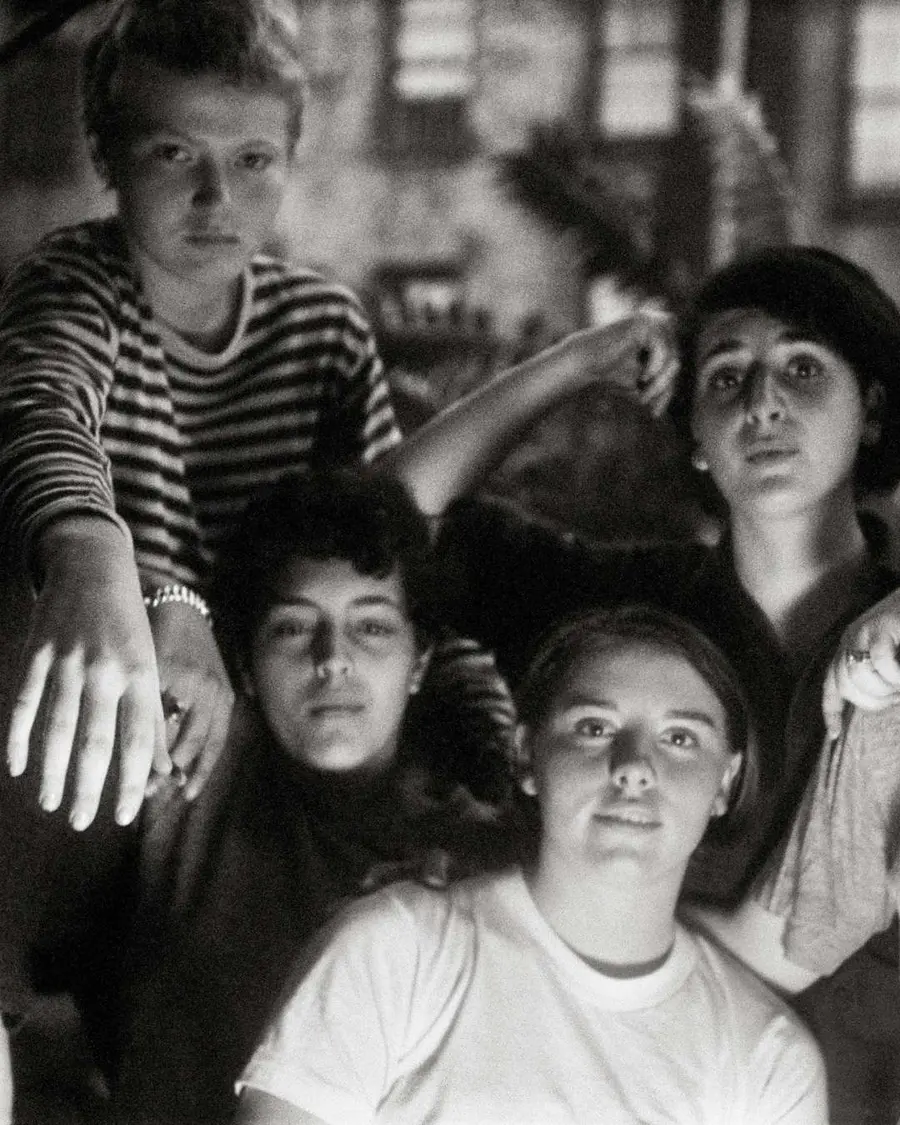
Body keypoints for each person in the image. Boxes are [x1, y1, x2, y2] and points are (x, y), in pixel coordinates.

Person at [379, 243, 900, 1121]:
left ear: (873, 410)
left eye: (804, 368)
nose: (764, 401)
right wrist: (581, 360)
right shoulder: (624, 616)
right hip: (630, 1091)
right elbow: (388, 526)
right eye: (727, 377)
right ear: (693, 436)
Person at [235, 605, 826, 1125]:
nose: (635, 767)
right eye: (594, 728)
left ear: (725, 781)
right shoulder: (397, 951)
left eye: (680, 738)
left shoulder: (767, 1059)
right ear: (525, 754)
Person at [110, 469, 518, 1125]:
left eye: (373, 627)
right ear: (242, 660)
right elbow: (84, 589)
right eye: (295, 628)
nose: (333, 658)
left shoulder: (477, 847)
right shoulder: (198, 770)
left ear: (419, 662)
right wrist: (176, 604)